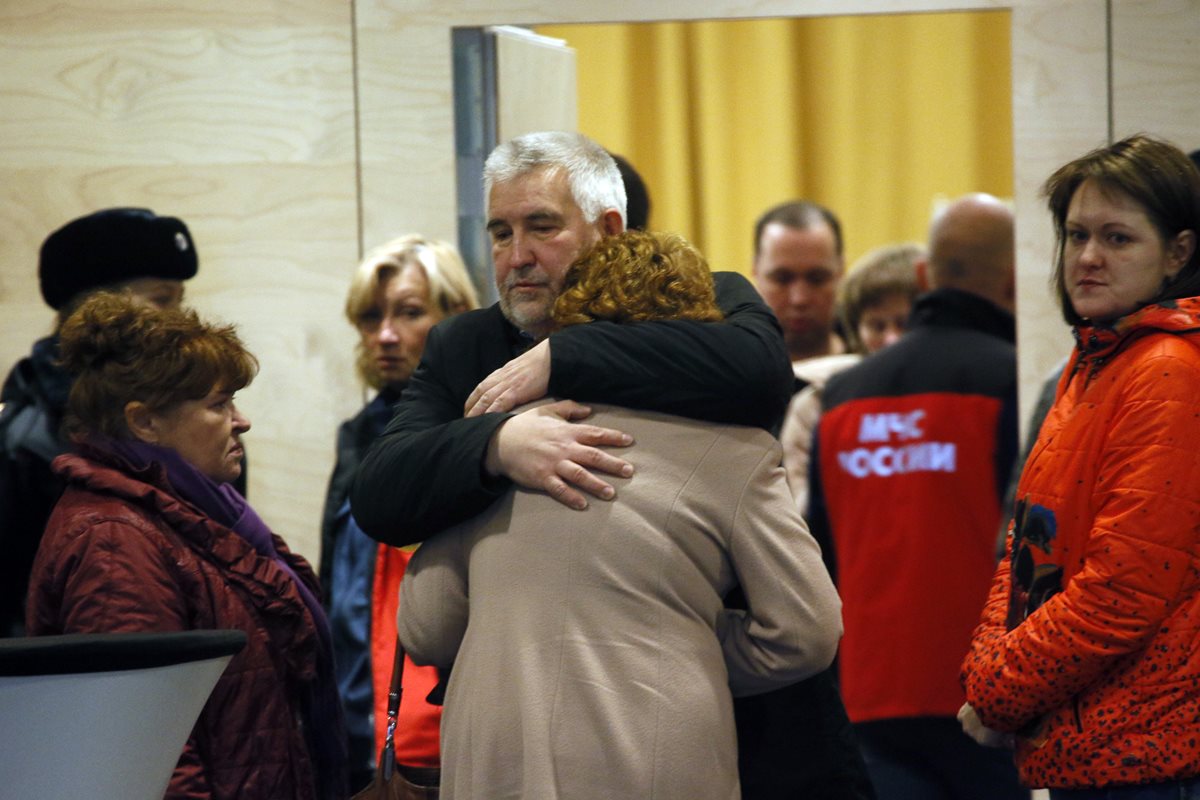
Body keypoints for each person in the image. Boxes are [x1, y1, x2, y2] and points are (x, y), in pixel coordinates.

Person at [349, 131, 870, 798]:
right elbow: (381, 493)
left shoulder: (712, 306)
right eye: (501, 233)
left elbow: (761, 373)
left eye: (541, 227)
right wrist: (498, 447)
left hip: (747, 734)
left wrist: (562, 358)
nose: (518, 256)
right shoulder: (469, 344)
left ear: (610, 230)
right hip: (603, 726)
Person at [25, 292, 347, 800]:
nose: (241, 421)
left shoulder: (199, 517)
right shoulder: (114, 543)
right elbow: (146, 755)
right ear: (145, 422)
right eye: (218, 404)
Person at [961, 134, 1200, 798]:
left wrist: (997, 689)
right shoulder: (1099, 359)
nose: (1088, 258)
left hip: (1147, 759)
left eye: (1118, 239)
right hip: (1095, 750)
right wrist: (989, 672)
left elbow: (1121, 592)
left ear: (1178, 253)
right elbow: (1027, 548)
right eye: (1076, 235)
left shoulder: (1167, 370)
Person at [808, 193, 1023, 800]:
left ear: (926, 276)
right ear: (1014, 280)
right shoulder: (1013, 379)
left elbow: (819, 555)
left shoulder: (841, 396)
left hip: (868, 697)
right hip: (986, 701)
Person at [321, 235, 478, 792]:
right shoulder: (357, 438)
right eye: (371, 316)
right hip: (361, 725)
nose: (384, 335)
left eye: (409, 313)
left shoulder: (475, 434)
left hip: (442, 729)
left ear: (454, 318)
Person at [0, 207, 201, 638]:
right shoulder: (23, 437)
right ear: (96, 312)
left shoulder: (193, 418)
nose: (180, 322)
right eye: (163, 301)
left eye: (181, 302)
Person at [779, 242, 924, 512]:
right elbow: (802, 516)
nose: (891, 339)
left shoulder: (959, 393)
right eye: (877, 326)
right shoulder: (815, 405)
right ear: (857, 333)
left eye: (903, 323)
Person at [751, 199, 847, 369]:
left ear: (841, 271)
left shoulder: (876, 361)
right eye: (782, 279)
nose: (799, 299)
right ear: (755, 270)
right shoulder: (721, 370)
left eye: (817, 279)